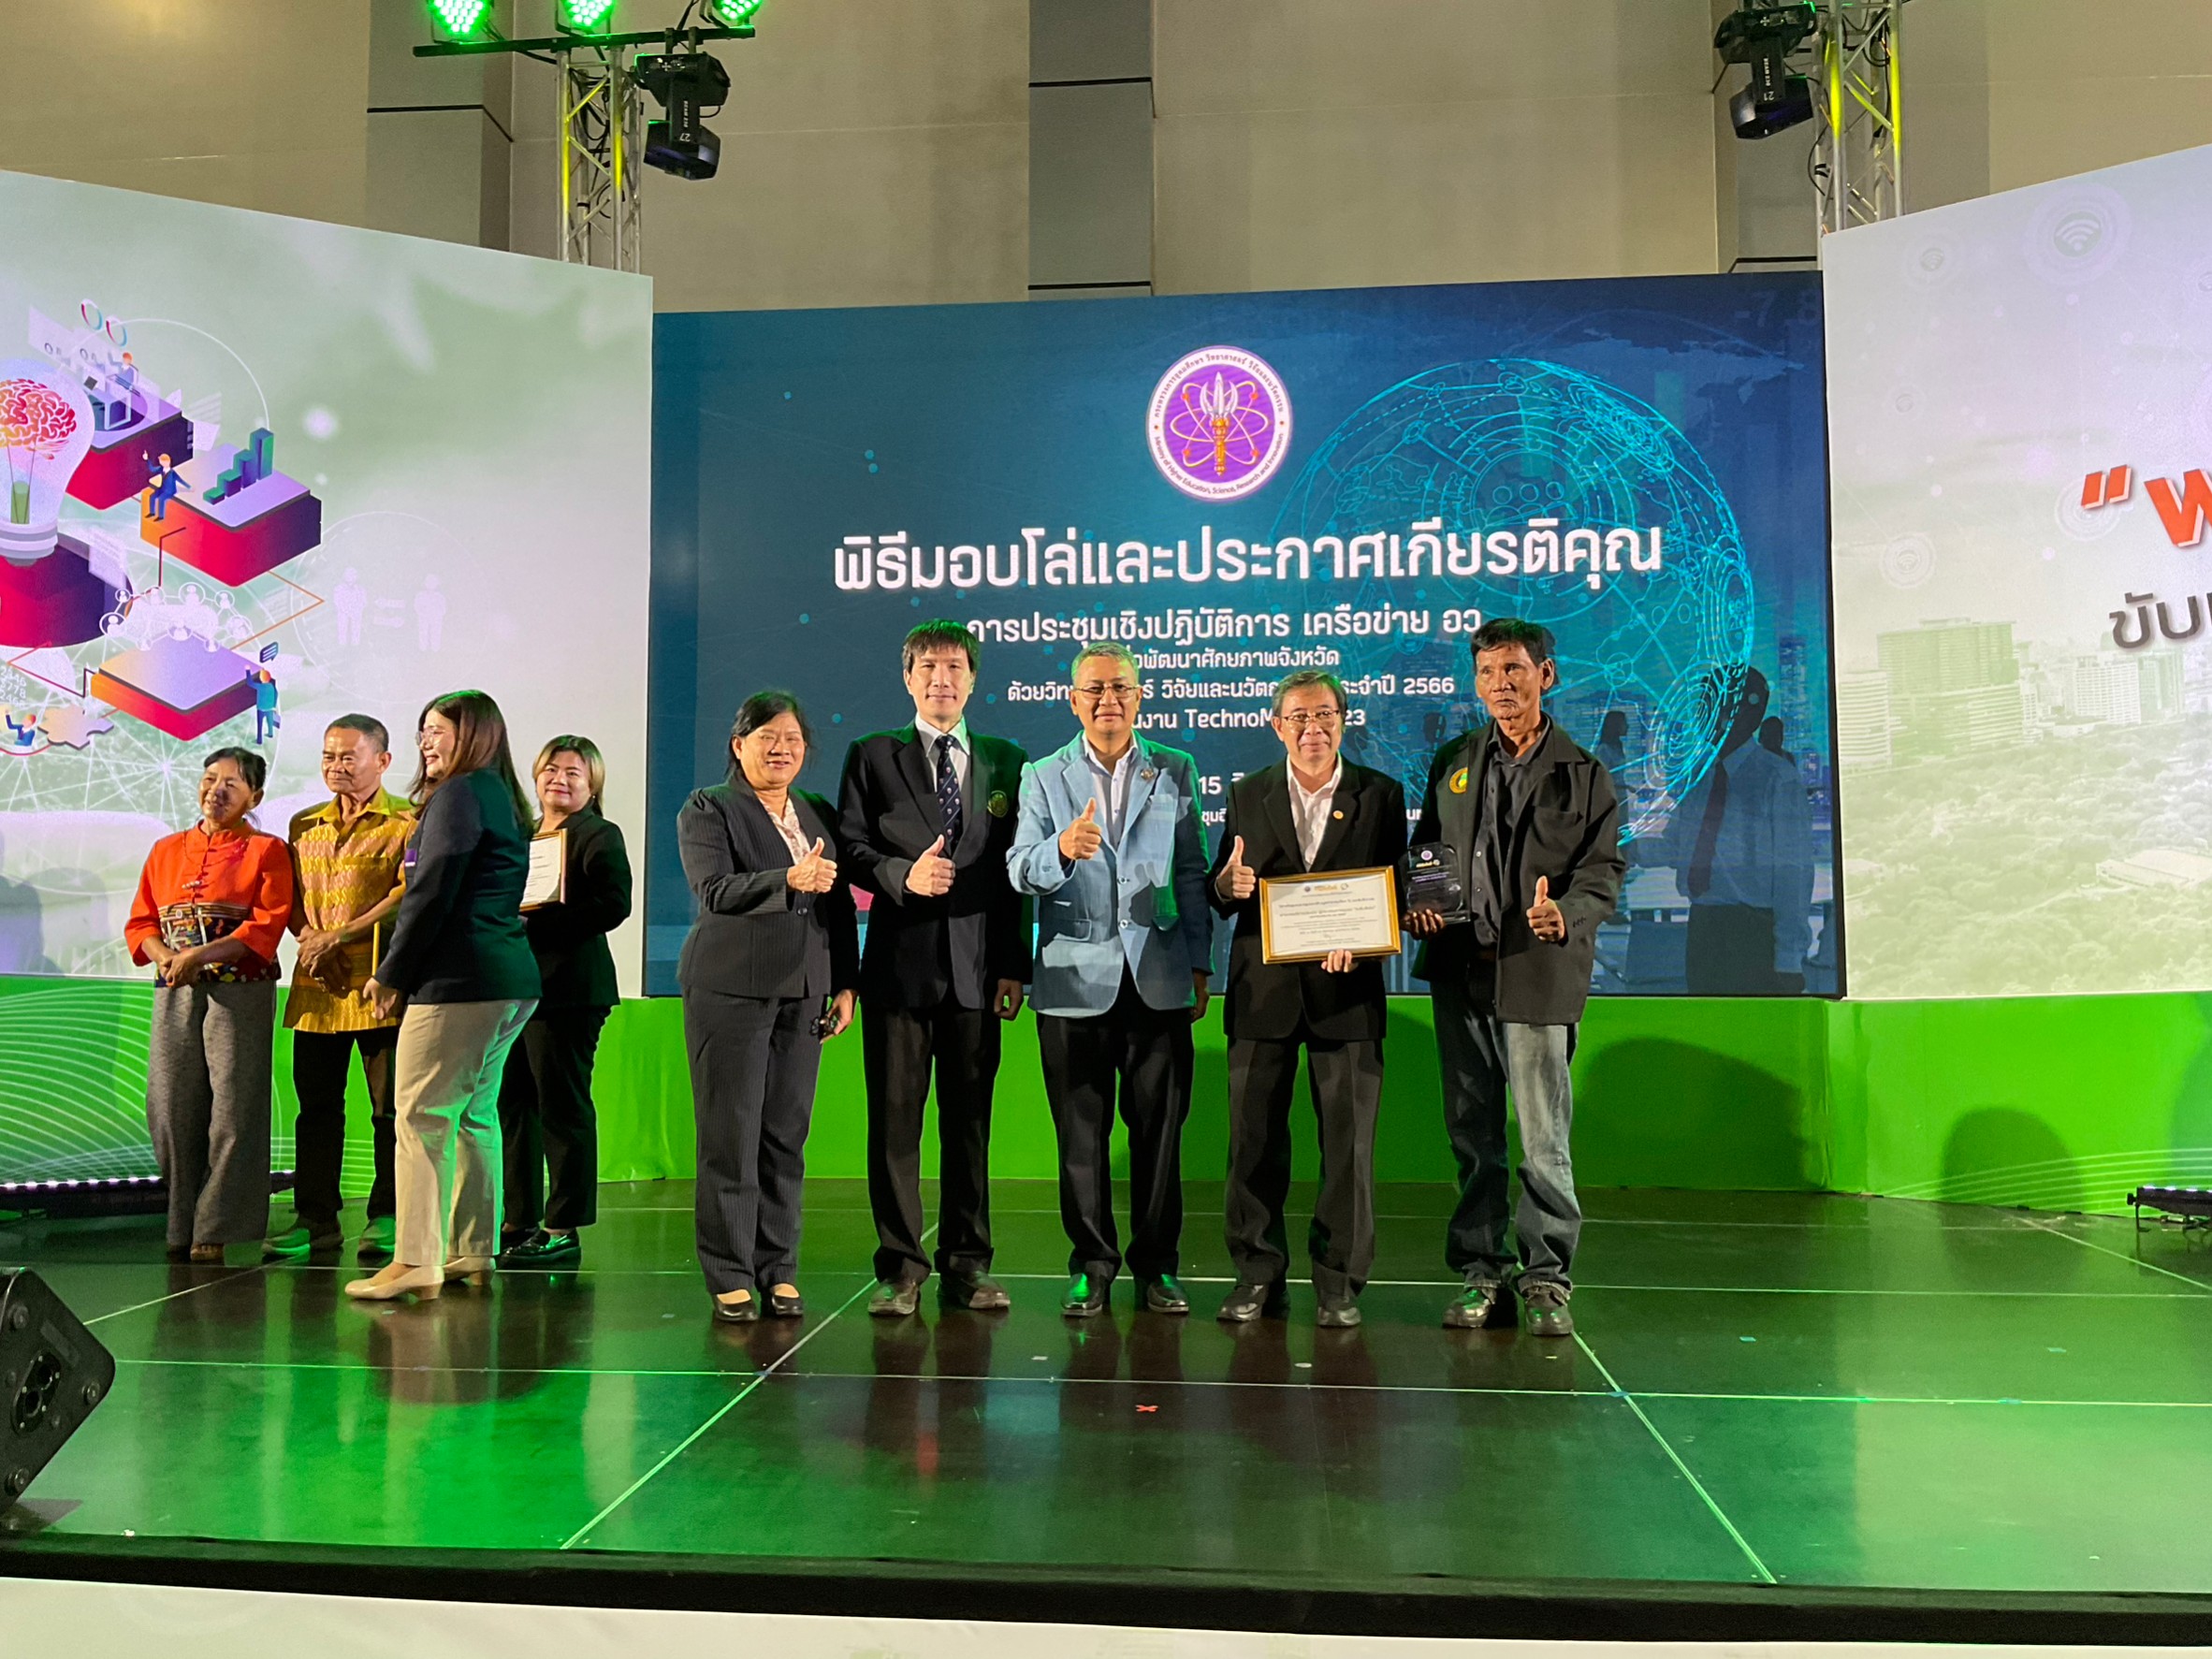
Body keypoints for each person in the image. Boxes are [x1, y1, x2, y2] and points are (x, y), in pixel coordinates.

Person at [1407, 618, 1624, 1338]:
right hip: (1460, 975)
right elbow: (1426, 853)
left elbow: (1603, 871)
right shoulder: (1454, 761)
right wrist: (1420, 905)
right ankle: (1481, 1272)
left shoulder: (1583, 773)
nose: (1500, 684)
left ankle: (1546, 1278)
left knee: (1542, 1139)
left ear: (1545, 675)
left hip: (1536, 976)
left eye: (1514, 670)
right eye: (1488, 672)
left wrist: (1567, 912)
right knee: (1473, 1135)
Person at [1007, 642, 1212, 1318]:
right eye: (1094, 689)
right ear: (1073, 701)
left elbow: (1191, 871)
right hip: (1072, 981)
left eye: (1120, 687)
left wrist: (1201, 962)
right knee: (1080, 1136)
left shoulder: (1174, 768)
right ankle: (1092, 1264)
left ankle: (1159, 1267)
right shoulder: (1043, 776)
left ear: (1140, 695)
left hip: (1159, 976)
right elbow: (1019, 868)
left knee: (1160, 1134)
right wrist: (1060, 849)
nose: (1108, 700)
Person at [837, 619, 1029, 1317]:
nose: (941, 679)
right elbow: (850, 848)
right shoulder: (872, 755)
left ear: (973, 680)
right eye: (928, 667)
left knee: (969, 1126)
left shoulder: (1008, 760)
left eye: (954, 668)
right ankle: (900, 1268)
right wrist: (902, 875)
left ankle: (968, 1264)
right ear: (908, 678)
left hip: (978, 973)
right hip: (899, 970)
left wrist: (1013, 965)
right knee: (895, 1126)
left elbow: (1015, 873)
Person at [1209, 671, 1406, 1328]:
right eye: (1298, 717)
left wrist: (1365, 944)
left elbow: (1396, 892)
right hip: (1262, 995)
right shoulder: (1247, 793)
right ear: (1277, 726)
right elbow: (1221, 888)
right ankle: (1256, 1274)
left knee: (1348, 1152)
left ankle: (1339, 1282)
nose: (1312, 728)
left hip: (1348, 996)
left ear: (1344, 721)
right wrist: (1226, 886)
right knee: (1252, 1144)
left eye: (1324, 715)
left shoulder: (1380, 795)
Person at [345, 691, 541, 1302]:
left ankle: (416, 1259)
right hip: (508, 979)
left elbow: (431, 891)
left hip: (459, 980)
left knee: (422, 1116)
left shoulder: (459, 794)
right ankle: (472, 1249)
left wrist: (393, 972)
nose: (427, 742)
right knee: (474, 1115)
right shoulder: (501, 794)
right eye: (423, 730)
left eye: (438, 730)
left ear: (474, 735)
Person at [677, 692, 858, 1322]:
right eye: (767, 737)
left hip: (804, 990)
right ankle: (729, 1272)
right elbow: (714, 890)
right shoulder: (710, 807)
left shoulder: (815, 811)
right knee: (731, 1133)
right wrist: (787, 880)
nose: (781, 749)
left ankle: (778, 1267)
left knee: (785, 1135)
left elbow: (839, 904)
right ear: (739, 745)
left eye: (792, 739)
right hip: (730, 990)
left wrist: (845, 983)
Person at [124, 747, 294, 1263]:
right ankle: (181, 1219)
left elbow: (266, 924)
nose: (216, 790)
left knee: (234, 1107)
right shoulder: (165, 849)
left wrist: (200, 955)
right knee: (170, 1105)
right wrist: (167, 958)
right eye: (209, 779)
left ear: (254, 798)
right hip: (175, 986)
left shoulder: (267, 850)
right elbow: (142, 921)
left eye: (231, 784)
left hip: (239, 990)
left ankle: (217, 1225)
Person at [269, 716, 415, 1264]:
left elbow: (407, 895)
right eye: (329, 756)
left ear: (383, 760)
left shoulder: (408, 821)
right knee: (316, 1111)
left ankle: (387, 1215)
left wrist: (342, 935)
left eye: (349, 756)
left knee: (389, 1111)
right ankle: (315, 1219)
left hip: (382, 988)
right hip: (316, 988)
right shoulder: (303, 823)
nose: (337, 766)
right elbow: (290, 897)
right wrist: (311, 938)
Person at [497, 735, 633, 1267]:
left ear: (592, 785)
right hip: (515, 988)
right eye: (551, 770)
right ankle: (519, 1219)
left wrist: (542, 922)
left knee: (562, 1105)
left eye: (574, 773)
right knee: (513, 1104)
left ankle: (563, 1226)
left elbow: (614, 905)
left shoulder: (599, 834)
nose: (560, 780)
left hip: (570, 990)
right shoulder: (522, 835)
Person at [1666, 668, 1813, 996]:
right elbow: (1676, 843)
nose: (1702, 715)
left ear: (1747, 713)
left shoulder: (1777, 778)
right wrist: (1620, 847)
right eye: (1702, 705)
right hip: (1703, 929)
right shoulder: (1700, 776)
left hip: (1752, 932)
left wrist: (1789, 959)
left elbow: (1793, 873)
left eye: (1712, 704)